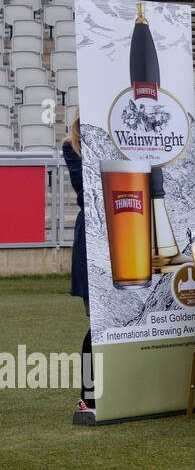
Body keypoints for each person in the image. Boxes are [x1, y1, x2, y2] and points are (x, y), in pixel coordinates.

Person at [64, 115, 95, 421]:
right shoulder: (72, 147)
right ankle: (89, 394)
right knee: (98, 325)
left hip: (128, 235)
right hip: (94, 239)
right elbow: (87, 192)